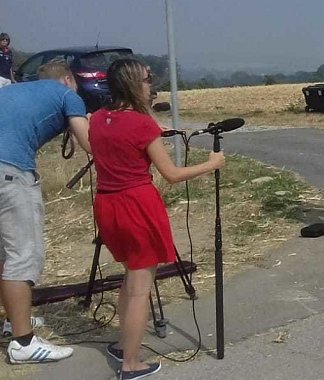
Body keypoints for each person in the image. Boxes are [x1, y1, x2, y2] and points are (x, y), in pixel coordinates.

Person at [89, 58, 224, 380]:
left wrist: (146, 121)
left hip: (107, 204)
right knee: (139, 288)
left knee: (130, 278)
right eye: (147, 80)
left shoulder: (97, 119)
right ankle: (131, 364)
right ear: (135, 84)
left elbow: (124, 138)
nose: (152, 85)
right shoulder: (142, 125)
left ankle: (124, 345)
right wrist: (212, 164)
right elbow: (172, 174)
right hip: (137, 205)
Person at [0, 60, 90, 364]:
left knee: (3, 254)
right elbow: (89, 143)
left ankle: (12, 321)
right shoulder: (66, 94)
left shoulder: (15, 91)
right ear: (67, 79)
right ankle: (23, 343)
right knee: (23, 255)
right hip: (10, 171)